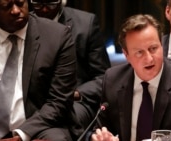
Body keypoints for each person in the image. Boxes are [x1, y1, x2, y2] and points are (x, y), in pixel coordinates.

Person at [89, 14, 171, 141]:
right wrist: (102, 137)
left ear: (162, 45)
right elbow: (100, 128)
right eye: (139, 52)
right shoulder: (113, 79)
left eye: (153, 48)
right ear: (126, 55)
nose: (149, 59)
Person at [29, 0, 111, 135]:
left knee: (63, 122)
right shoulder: (23, 24)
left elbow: (104, 77)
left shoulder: (86, 23)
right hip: (36, 100)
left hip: (74, 101)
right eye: (38, 4)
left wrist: (76, 93)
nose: (44, 9)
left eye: (50, 3)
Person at [0, 0, 77, 140]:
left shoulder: (57, 36)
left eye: (20, 3)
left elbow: (59, 101)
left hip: (39, 126)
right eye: (7, 6)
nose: (16, 10)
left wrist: (21, 135)